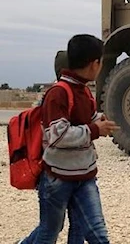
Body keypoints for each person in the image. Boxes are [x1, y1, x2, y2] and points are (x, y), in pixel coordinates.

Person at [17, 34, 120, 244]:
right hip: (58, 179)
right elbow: (58, 135)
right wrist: (94, 130)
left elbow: (85, 119)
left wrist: (99, 122)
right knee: (49, 233)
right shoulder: (58, 94)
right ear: (94, 64)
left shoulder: (83, 91)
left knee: (96, 233)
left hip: (85, 175)